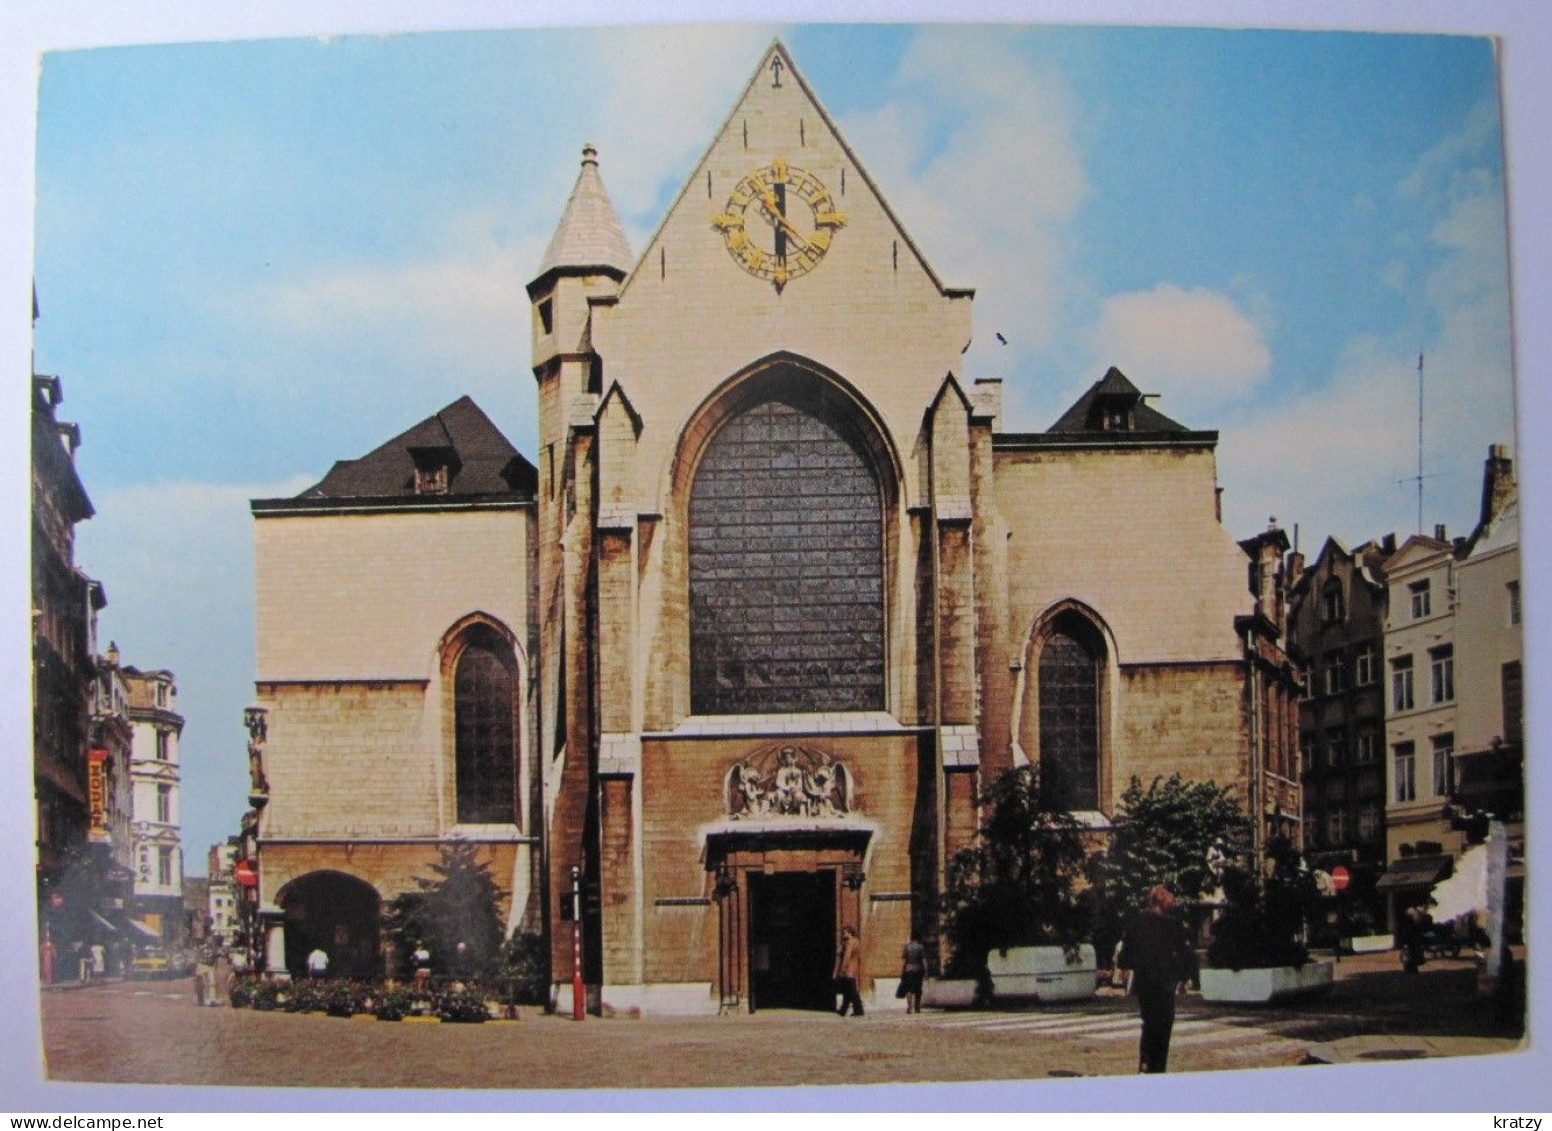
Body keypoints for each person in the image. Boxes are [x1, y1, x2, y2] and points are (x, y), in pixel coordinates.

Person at [1118, 885, 1196, 1074]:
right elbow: (1186, 954)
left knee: (1149, 1023)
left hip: (1144, 983)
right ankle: (1158, 1069)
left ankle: (1145, 1062)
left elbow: (1124, 958)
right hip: (1165, 983)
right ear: (1164, 902)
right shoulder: (1172, 925)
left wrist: (1140, 964)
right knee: (1163, 1027)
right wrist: (1184, 977)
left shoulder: (1135, 923)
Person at [834, 925, 864, 1017]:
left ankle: (858, 1010)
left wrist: (842, 969)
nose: (843, 934)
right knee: (848, 992)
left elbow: (847, 956)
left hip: (848, 970)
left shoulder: (849, 943)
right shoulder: (857, 942)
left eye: (844, 932)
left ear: (849, 933)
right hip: (854, 968)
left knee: (852, 992)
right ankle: (844, 1010)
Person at [899, 936, 927, 1014]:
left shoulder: (907, 947)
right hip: (918, 970)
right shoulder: (921, 947)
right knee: (918, 989)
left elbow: (904, 961)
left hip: (909, 970)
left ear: (911, 939)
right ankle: (917, 1008)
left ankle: (909, 1008)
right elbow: (924, 960)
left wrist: (903, 972)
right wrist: (926, 972)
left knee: (909, 989)